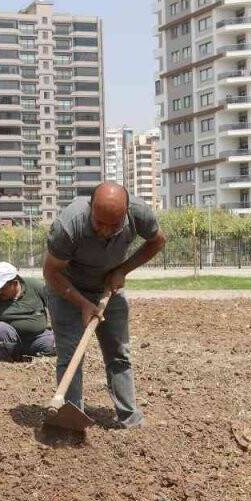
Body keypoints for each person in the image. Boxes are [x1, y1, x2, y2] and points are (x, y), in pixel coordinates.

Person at [42, 183, 166, 428]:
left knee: (119, 353)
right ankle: (71, 419)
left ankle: (130, 418)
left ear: (126, 212)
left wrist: (122, 270)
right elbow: (50, 272)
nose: (106, 231)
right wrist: (83, 303)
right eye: (100, 223)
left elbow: (157, 241)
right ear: (90, 208)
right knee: (71, 355)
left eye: (114, 225)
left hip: (109, 287)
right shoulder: (69, 225)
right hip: (68, 290)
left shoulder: (139, 213)